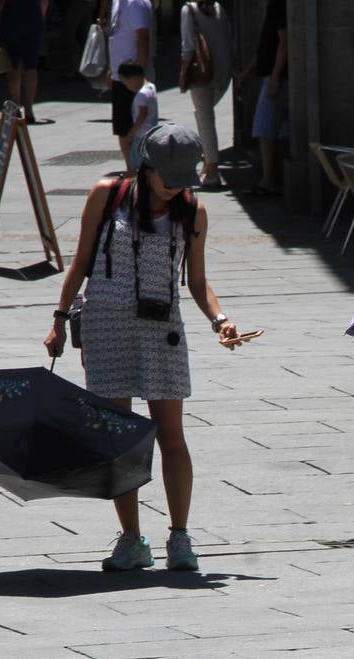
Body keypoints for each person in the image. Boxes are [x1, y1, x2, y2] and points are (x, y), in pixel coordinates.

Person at [44, 123, 241, 572]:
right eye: (167, 180)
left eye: (181, 181)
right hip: (106, 324)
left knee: (172, 437)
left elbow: (197, 280)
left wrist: (221, 320)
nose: (174, 189)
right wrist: (58, 320)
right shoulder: (106, 194)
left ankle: (180, 536)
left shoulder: (193, 210)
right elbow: (80, 262)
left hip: (162, 329)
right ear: (146, 169)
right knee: (120, 437)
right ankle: (131, 539)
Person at [178, 0, 231, 189]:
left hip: (201, 72)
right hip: (222, 72)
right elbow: (227, 37)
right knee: (203, 115)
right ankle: (209, 163)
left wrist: (184, 73)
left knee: (205, 118)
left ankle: (213, 172)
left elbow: (188, 46)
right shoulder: (218, 7)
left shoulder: (189, 10)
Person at [235, 0, 285, 196]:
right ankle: (268, 177)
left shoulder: (278, 6)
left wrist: (274, 76)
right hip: (272, 75)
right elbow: (267, 47)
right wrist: (248, 71)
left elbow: (284, 42)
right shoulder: (273, 6)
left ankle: (267, 179)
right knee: (265, 128)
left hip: (278, 78)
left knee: (264, 128)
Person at [102, 0, 153, 167]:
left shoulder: (135, 3)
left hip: (132, 77)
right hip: (121, 76)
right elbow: (116, 37)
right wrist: (112, 68)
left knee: (134, 132)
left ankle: (138, 173)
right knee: (123, 131)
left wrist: (140, 75)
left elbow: (142, 37)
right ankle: (132, 170)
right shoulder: (117, 2)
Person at [0, 0, 50, 124]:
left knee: (13, 65)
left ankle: (15, 107)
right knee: (31, 65)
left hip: (11, 18)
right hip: (33, 17)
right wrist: (40, 17)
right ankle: (28, 110)